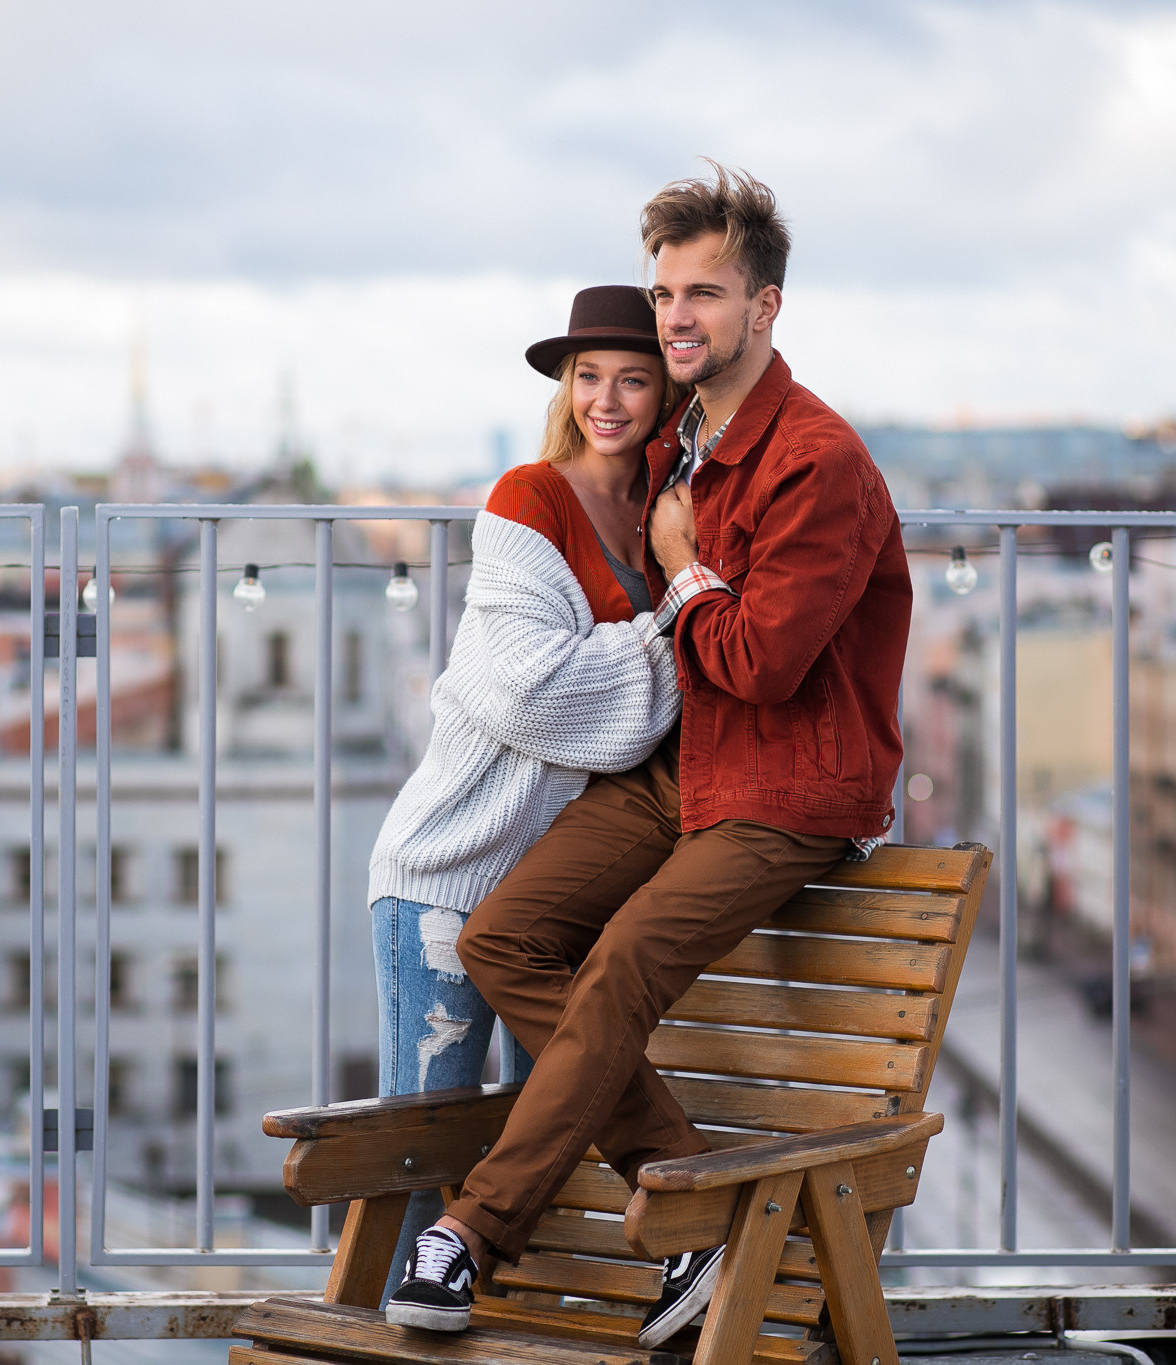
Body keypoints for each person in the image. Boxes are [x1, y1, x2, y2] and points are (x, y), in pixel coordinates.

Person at [383, 164, 911, 1348]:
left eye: (705, 295)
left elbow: (761, 663)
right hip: (689, 769)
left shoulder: (810, 462)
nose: (676, 316)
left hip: (785, 786)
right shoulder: (682, 437)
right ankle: (692, 1200)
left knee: (616, 960)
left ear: (763, 309)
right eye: (666, 290)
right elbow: (590, 469)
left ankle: (470, 1233)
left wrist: (676, 566)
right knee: (502, 937)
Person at [369, 284, 684, 1310]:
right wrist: (669, 619)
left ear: (662, 388)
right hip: (450, 870)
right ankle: (401, 1328)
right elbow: (527, 692)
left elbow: (608, 695)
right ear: (564, 386)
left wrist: (623, 644)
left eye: (631, 378)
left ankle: (502, 1327)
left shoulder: (664, 512)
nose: (606, 398)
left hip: (553, 887)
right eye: (586, 376)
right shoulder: (526, 498)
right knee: (433, 1148)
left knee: (534, 1132)